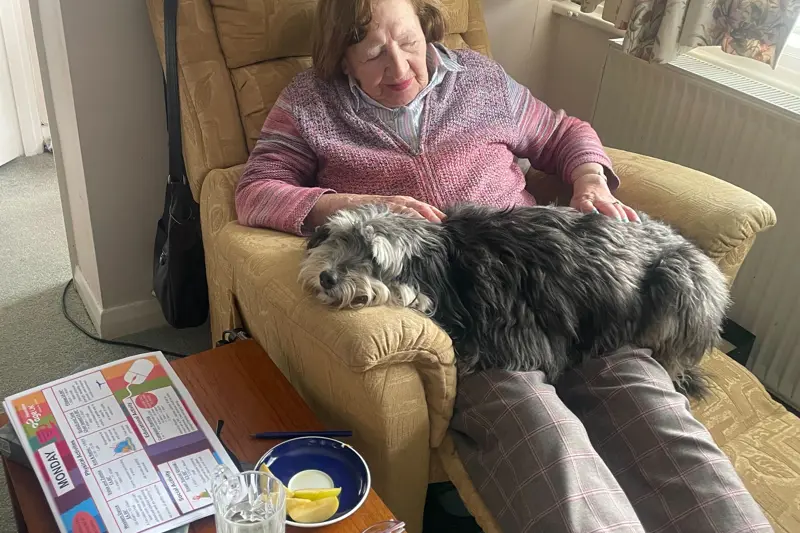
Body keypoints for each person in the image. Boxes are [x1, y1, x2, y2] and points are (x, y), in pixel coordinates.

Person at [235, 0, 772, 531]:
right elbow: (254, 191)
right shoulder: (311, 103)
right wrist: (354, 203)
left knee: (657, 421)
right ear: (342, 57)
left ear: (426, 27)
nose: (398, 68)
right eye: (373, 53)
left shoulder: (479, 79)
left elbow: (563, 133)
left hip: (560, 287)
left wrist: (589, 178)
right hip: (470, 325)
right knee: (545, 442)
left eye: (409, 43)